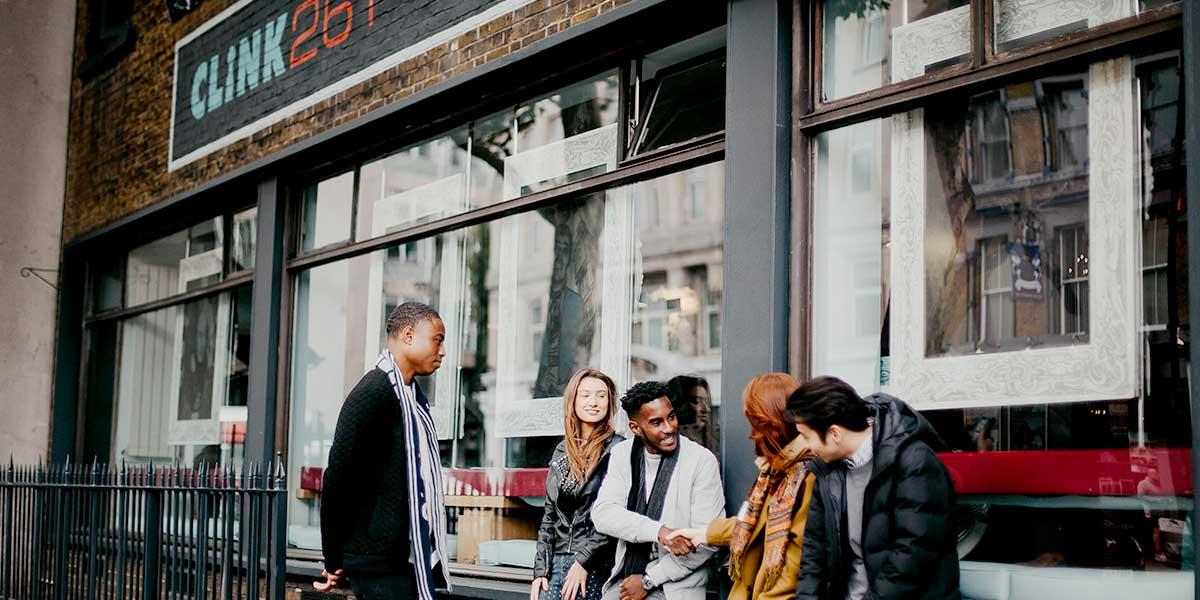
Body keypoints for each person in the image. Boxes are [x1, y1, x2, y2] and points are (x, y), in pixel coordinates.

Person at [315, 302, 450, 600]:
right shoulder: (373, 393)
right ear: (409, 335)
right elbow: (338, 478)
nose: (442, 351)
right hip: (377, 564)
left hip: (403, 559)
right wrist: (333, 558)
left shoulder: (413, 399)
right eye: (437, 340)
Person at [788, 376, 959, 600]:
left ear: (835, 433)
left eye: (806, 437)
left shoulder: (913, 461)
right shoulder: (827, 472)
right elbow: (814, 552)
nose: (806, 447)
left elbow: (912, 555)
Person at [668, 373, 817, 600]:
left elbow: (792, 571)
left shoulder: (805, 477)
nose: (751, 433)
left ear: (769, 422)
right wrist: (703, 533)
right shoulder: (775, 469)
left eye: (754, 423)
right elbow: (753, 522)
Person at [591, 381, 724, 600]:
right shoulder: (623, 455)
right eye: (656, 422)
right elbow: (603, 513)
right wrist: (660, 532)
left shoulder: (701, 461)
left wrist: (648, 579)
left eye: (671, 417)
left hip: (675, 588)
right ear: (635, 428)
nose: (669, 427)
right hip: (625, 580)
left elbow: (709, 539)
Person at [531, 368, 626, 600]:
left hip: (595, 563)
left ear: (610, 402)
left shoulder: (618, 449)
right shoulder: (562, 450)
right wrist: (540, 570)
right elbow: (549, 516)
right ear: (572, 400)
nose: (593, 402)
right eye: (585, 395)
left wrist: (583, 562)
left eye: (601, 396)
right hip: (555, 563)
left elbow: (614, 515)